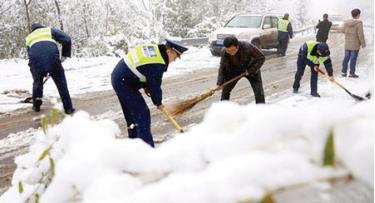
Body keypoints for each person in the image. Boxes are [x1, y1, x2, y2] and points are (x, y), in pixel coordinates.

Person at [111, 39, 188, 147]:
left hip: (121, 77)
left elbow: (144, 69)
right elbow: (155, 84)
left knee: (132, 115)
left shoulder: (156, 51)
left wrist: (146, 86)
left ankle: (134, 144)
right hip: (124, 82)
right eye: (175, 57)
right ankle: (147, 149)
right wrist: (158, 102)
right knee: (142, 113)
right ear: (170, 51)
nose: (174, 60)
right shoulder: (157, 63)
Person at [25, 23, 75, 114]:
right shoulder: (49, 30)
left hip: (36, 62)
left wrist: (35, 71)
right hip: (53, 60)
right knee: (61, 84)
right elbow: (67, 39)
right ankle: (68, 108)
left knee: (37, 84)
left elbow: (30, 54)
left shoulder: (29, 37)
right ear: (42, 27)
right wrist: (64, 55)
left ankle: (36, 105)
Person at [216, 36, 265, 103]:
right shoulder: (224, 52)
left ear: (237, 46)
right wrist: (220, 82)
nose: (231, 53)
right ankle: (224, 108)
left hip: (250, 69)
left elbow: (261, 58)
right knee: (226, 90)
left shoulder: (247, 47)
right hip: (234, 71)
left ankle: (261, 108)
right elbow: (222, 67)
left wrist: (251, 70)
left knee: (258, 91)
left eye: (232, 50)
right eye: (228, 51)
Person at [341, 8, 366, 78]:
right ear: (358, 15)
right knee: (353, 59)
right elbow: (360, 34)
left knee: (346, 58)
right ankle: (351, 73)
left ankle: (343, 72)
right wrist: (363, 44)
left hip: (347, 43)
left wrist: (348, 33)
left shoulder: (346, 22)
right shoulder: (359, 23)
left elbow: (342, 30)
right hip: (355, 44)